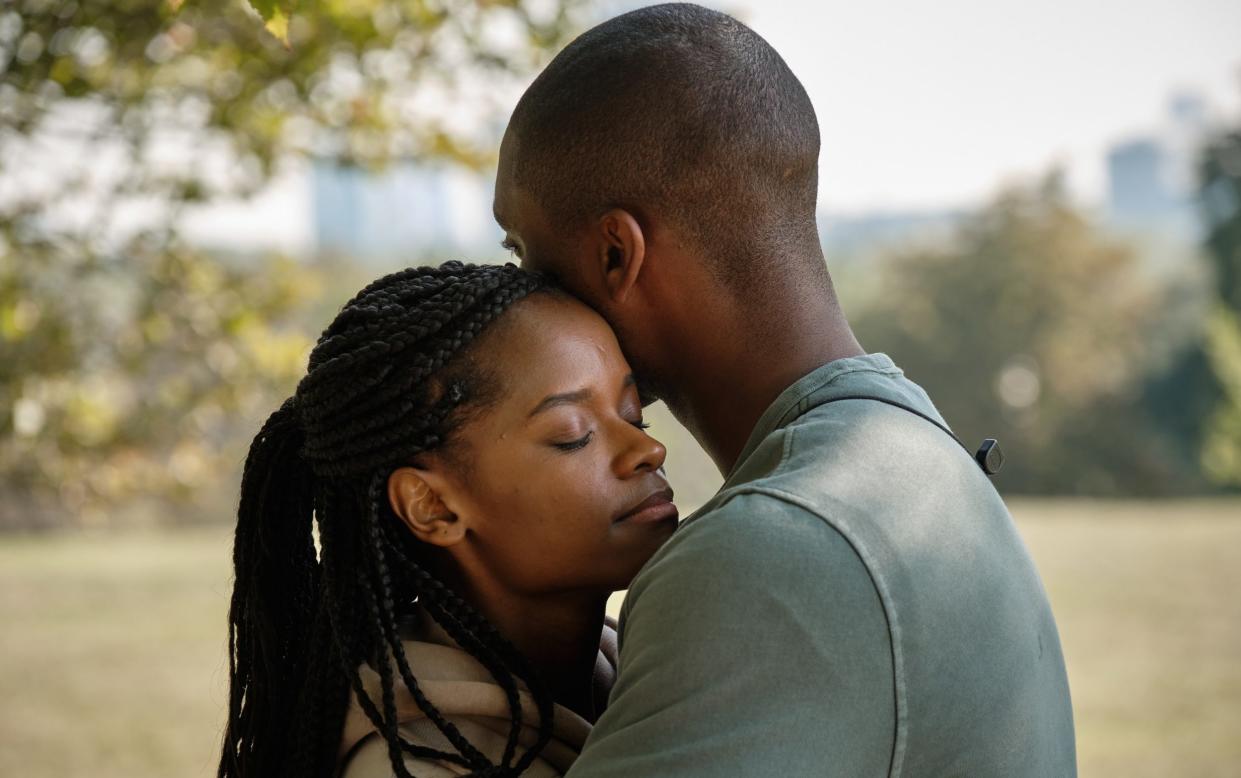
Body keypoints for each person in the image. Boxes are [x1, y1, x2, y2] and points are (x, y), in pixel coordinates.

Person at [493, 4, 1077, 776]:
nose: (520, 296)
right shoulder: (908, 447)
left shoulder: (769, 556)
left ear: (614, 255)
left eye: (524, 253)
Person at [217, 262, 679, 778]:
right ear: (432, 506)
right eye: (572, 435)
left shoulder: (648, 664)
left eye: (635, 415)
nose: (648, 449)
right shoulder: (415, 763)